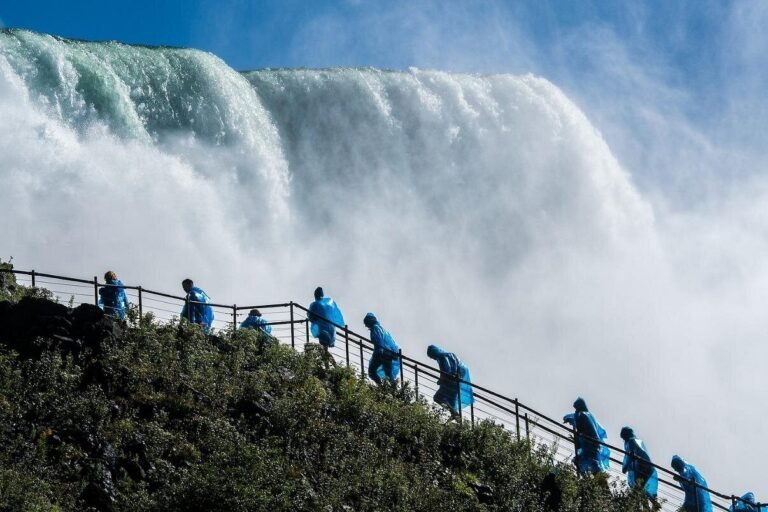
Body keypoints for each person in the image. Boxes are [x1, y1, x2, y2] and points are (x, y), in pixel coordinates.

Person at [562, 398, 610, 474]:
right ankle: (592, 479)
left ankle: (591, 480)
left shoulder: (581, 415)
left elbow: (581, 429)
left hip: (589, 443)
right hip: (594, 442)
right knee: (589, 462)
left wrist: (571, 421)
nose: (575, 411)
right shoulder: (588, 414)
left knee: (586, 462)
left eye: (576, 408)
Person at [426, 345, 473, 418]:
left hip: (450, 383)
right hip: (457, 383)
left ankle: (454, 413)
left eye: (431, 356)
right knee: (452, 403)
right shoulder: (451, 355)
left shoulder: (441, 357)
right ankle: (458, 421)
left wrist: (440, 381)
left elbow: (446, 371)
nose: (433, 358)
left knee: (437, 397)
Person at [620, 427, 658, 499]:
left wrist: (625, 467)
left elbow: (632, 455)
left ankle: (649, 501)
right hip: (648, 467)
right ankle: (651, 501)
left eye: (624, 438)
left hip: (642, 467)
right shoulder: (636, 440)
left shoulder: (631, 441)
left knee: (637, 489)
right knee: (640, 488)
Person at [363, 312, 400, 384]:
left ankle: (380, 387)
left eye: (366, 323)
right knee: (388, 374)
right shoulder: (381, 329)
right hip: (389, 354)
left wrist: (378, 353)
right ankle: (393, 390)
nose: (365, 325)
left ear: (369, 321)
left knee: (371, 371)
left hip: (382, 353)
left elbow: (379, 341)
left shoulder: (375, 328)